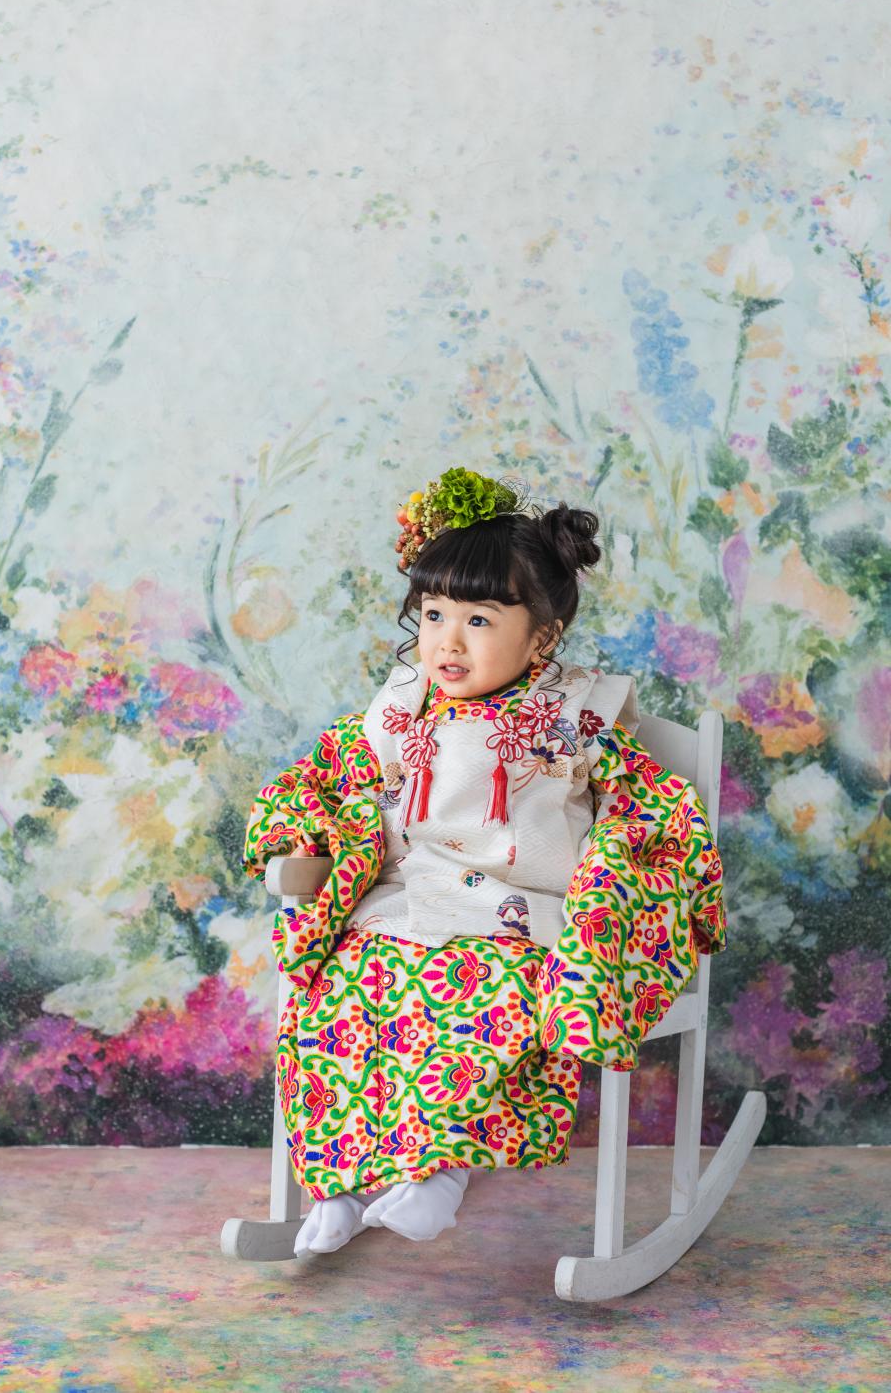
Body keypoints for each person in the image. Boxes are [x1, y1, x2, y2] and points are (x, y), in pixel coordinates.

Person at [242, 467, 727, 1259]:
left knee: (477, 1002)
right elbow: (328, 776)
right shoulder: (402, 707)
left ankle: (439, 1173)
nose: (448, 640)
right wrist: (309, 826)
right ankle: (339, 1183)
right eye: (434, 614)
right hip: (406, 905)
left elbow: (647, 806)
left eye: (478, 619)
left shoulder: (572, 715)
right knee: (337, 995)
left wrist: (622, 878)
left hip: (516, 918)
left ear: (541, 637)